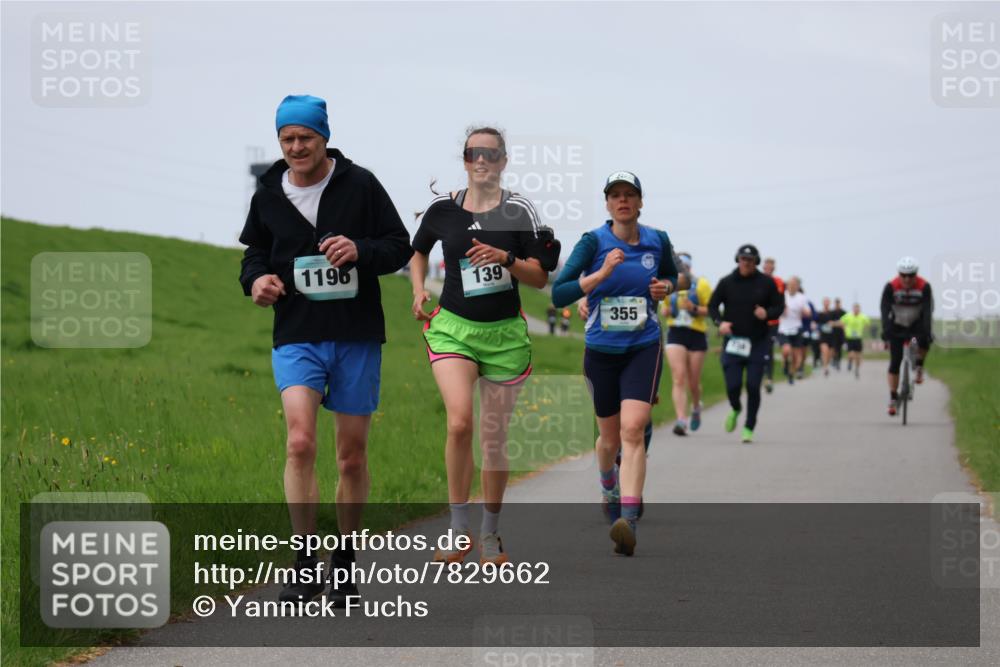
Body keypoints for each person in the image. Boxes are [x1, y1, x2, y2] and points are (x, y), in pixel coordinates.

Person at [239, 94, 412, 604]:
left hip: (355, 334)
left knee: (351, 457)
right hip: (296, 333)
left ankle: (344, 562)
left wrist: (361, 250)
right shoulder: (268, 194)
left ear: (324, 138)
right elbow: (254, 255)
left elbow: (399, 245)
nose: (296, 147)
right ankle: (303, 562)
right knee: (299, 442)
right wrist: (256, 283)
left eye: (305, 138)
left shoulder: (360, 184)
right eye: (287, 139)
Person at [410, 126, 559, 564]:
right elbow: (418, 250)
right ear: (464, 158)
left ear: (503, 162)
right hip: (454, 328)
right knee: (459, 424)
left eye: (491, 154)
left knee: (493, 438)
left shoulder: (519, 211)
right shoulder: (443, 209)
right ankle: (458, 531)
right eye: (474, 152)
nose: (482, 160)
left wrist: (507, 259)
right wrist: (418, 289)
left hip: (504, 337)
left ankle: (490, 534)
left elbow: (539, 278)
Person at [552, 170, 677, 556]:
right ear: (607, 204)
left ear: (640, 202)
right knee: (608, 440)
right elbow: (559, 293)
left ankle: (628, 519)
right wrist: (600, 275)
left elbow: (674, 275)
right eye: (615, 195)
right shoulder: (593, 242)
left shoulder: (658, 240)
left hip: (644, 346)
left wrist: (668, 286)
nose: (623, 201)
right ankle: (608, 483)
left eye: (630, 195)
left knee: (634, 430)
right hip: (601, 351)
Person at [707, 244, 784, 443]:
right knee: (733, 386)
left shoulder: (766, 283)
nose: (746, 263)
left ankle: (749, 427)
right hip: (733, 342)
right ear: (737, 259)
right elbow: (712, 306)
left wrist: (767, 313)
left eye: (750, 260)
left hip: (758, 342)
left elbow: (779, 306)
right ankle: (735, 407)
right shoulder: (726, 282)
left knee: (752, 385)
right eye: (743, 259)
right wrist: (720, 322)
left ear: (756, 262)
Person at [662, 252, 712, 435]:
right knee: (679, 377)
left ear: (690, 268)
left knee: (693, 381)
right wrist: (666, 310)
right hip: (676, 333)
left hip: (697, 334)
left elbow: (712, 310)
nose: (682, 270)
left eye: (685, 267)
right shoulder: (669, 283)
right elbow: (664, 306)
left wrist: (695, 308)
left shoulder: (702, 284)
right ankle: (681, 419)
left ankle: (696, 406)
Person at [880, 257, 934, 416]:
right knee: (895, 362)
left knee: (922, 339)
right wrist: (885, 329)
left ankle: (919, 365)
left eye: (911, 275)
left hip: (916, 323)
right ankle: (893, 397)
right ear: (899, 274)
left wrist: (927, 331)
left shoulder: (924, 286)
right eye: (903, 275)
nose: (907, 279)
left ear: (916, 274)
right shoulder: (891, 286)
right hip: (897, 324)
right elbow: (884, 309)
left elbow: (927, 310)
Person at [777, 276, 811, 384]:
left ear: (798, 286)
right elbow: (775, 310)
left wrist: (805, 312)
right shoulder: (782, 296)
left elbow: (808, 312)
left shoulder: (802, 297)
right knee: (786, 350)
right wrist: (782, 310)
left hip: (797, 328)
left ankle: (791, 374)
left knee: (796, 356)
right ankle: (785, 363)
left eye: (794, 284)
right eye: (790, 284)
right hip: (783, 329)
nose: (791, 286)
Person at [761, 257, 784, 394]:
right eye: (766, 266)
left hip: (772, 322)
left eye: (771, 266)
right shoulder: (756, 279)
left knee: (768, 349)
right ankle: (759, 375)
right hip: (757, 321)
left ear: (774, 268)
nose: (768, 268)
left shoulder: (778, 282)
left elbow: (779, 301)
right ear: (763, 267)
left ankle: (769, 378)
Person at [840, 303, 870, 379]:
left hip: (858, 338)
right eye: (855, 308)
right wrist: (844, 329)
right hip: (850, 338)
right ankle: (850, 361)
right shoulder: (848, 316)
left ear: (859, 309)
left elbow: (867, 323)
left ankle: (857, 369)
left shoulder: (863, 316)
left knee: (858, 356)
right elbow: (841, 322)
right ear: (853, 309)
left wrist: (865, 328)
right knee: (851, 353)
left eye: (858, 309)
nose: (856, 310)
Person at [814, 297, 840, 377]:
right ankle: (825, 368)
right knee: (825, 351)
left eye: (828, 302)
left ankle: (826, 363)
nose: (826, 303)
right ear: (823, 303)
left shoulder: (833, 313)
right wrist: (816, 326)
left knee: (830, 354)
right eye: (825, 302)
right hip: (823, 336)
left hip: (832, 337)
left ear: (829, 303)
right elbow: (815, 323)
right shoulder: (819, 313)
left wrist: (833, 323)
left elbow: (840, 323)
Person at [830, 297, 847, 370]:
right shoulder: (832, 313)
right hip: (833, 333)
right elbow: (830, 323)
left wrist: (836, 323)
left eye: (838, 303)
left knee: (839, 348)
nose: (837, 305)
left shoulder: (843, 312)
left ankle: (838, 361)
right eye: (836, 303)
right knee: (834, 347)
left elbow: (844, 323)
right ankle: (834, 359)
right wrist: (838, 323)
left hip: (841, 333)